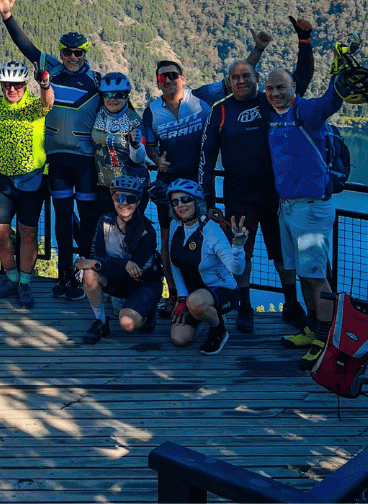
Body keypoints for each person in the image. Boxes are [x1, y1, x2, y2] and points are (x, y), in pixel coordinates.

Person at [198, 16, 314, 334]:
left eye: (246, 76)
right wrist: (208, 201)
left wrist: (305, 42)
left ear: (256, 77)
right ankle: (245, 307)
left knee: (282, 255)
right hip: (238, 198)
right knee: (242, 256)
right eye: (235, 77)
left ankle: (291, 305)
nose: (240, 81)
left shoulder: (271, 101)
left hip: (276, 197)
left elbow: (300, 80)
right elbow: (206, 160)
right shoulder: (219, 111)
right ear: (230, 81)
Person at [0, 0, 99, 302]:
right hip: (57, 165)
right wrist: (7, 16)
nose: (72, 57)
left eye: (78, 53)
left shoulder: (96, 80)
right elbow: (24, 45)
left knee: (88, 225)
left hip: (84, 164)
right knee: (63, 225)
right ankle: (65, 278)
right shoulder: (49, 68)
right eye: (67, 52)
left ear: (84, 54)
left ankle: (87, 278)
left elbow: (121, 109)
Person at [265, 60, 345, 369]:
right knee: (303, 274)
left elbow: (331, 101)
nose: (274, 93)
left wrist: (339, 76)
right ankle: (313, 329)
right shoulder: (274, 117)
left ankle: (325, 344)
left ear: (294, 88)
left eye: (281, 87)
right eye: (270, 88)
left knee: (316, 278)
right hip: (288, 208)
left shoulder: (306, 113)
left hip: (311, 208)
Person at [142, 60, 212, 308]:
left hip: (197, 182)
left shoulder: (200, 101)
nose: (168, 80)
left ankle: (203, 294)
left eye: (173, 75)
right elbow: (149, 145)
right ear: (158, 83)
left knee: (203, 239)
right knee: (167, 241)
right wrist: (155, 159)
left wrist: (258, 49)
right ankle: (174, 294)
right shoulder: (151, 110)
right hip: (168, 184)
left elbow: (235, 82)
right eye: (162, 77)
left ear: (183, 78)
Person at [0, 60, 54, 309]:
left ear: (25, 85)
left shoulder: (33, 107)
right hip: (5, 179)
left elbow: (48, 103)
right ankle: (11, 276)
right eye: (6, 85)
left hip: (32, 178)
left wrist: (45, 83)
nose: (11, 89)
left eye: (16, 85)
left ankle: (24, 282)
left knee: (28, 233)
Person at [74, 176, 162, 343]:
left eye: (130, 199)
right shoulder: (105, 221)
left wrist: (107, 263)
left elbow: (134, 272)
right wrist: (122, 263)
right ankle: (100, 322)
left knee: (127, 324)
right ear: (113, 199)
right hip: (117, 278)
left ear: (138, 202)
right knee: (89, 272)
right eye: (118, 197)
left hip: (144, 283)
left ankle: (149, 309)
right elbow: (95, 255)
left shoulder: (147, 231)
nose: (124, 203)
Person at [166, 179, 247, 355]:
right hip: (193, 295)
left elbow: (237, 269)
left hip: (222, 290)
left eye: (186, 199)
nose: (180, 205)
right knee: (179, 339)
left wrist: (238, 246)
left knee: (196, 302)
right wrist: (181, 297)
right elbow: (175, 266)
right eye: (175, 201)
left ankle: (219, 330)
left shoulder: (211, 230)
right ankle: (205, 316)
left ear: (197, 201)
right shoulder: (175, 226)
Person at [90, 72, 150, 219]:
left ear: (126, 96)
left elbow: (138, 158)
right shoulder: (99, 112)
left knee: (128, 234)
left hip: (130, 187)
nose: (112, 99)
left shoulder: (134, 121)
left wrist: (135, 144)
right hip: (105, 186)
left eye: (119, 95)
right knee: (104, 232)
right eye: (108, 94)